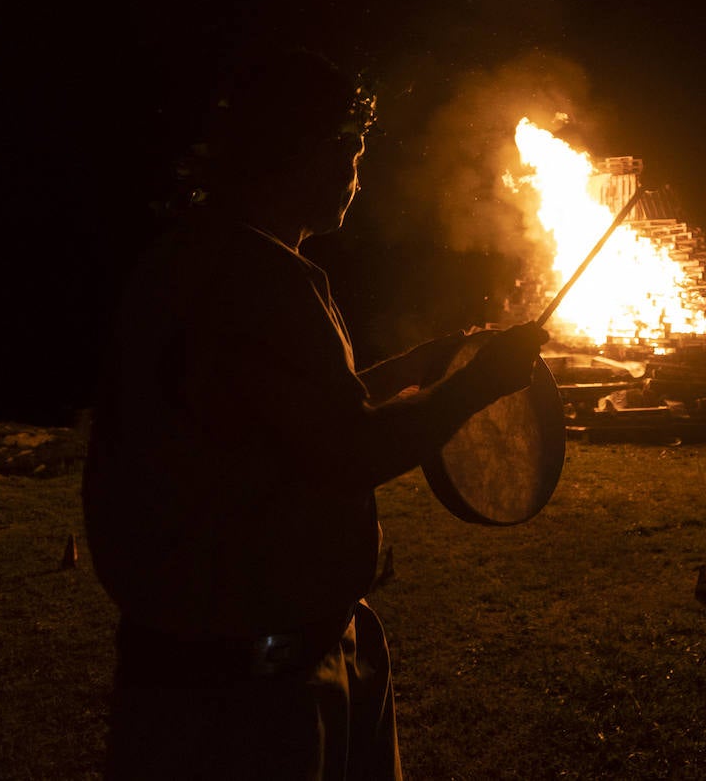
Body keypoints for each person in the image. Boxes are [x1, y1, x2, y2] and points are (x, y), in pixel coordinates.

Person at [84, 49, 547, 780]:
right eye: (348, 150)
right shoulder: (257, 280)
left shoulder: (195, 258)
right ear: (295, 151)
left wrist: (421, 366)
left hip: (239, 656)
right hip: (246, 693)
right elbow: (344, 452)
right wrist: (477, 386)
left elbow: (285, 418)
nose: (354, 175)